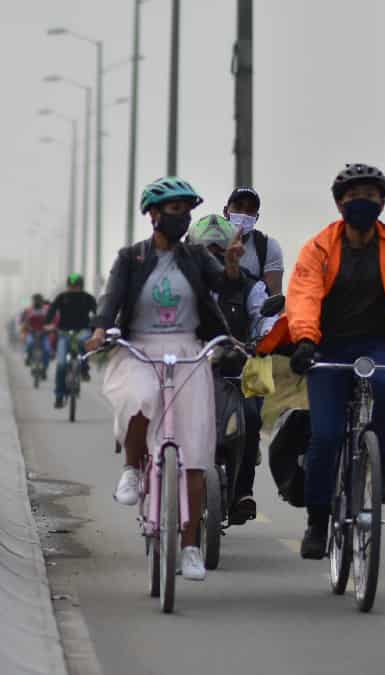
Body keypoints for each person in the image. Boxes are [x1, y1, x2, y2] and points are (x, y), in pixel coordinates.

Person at [86, 177, 245, 581]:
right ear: (153, 215)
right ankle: (132, 469)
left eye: (185, 211)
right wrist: (102, 329)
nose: (182, 217)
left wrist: (229, 266)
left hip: (190, 351)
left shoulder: (195, 257)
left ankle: (190, 546)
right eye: (174, 210)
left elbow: (224, 285)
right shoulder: (132, 259)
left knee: (193, 451)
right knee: (140, 397)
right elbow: (111, 301)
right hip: (140, 348)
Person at [285, 163, 385, 559]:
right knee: (326, 435)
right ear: (339, 205)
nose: (362, 203)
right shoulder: (319, 247)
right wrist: (304, 341)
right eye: (352, 198)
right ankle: (317, 521)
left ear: (382, 202)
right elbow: (304, 294)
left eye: (370, 196)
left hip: (378, 344)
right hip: (328, 348)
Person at [186, 214, 278, 525]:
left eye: (218, 250)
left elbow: (265, 316)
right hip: (187, 371)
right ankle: (157, 479)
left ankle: (242, 492)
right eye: (205, 251)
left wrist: (263, 337)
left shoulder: (249, 285)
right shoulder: (181, 284)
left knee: (250, 418)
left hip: (235, 373)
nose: (211, 257)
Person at [46, 273, 97, 408]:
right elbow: (51, 312)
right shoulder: (61, 297)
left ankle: (84, 368)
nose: (74, 288)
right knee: (61, 364)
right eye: (72, 286)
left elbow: (98, 312)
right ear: (68, 286)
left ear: (81, 286)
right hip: (64, 333)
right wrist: (48, 323)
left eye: (76, 286)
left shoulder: (88, 298)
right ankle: (59, 395)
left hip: (83, 331)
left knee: (83, 342)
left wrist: (98, 326)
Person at [224, 187, 283, 295]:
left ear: (256, 217)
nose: (243, 214)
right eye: (238, 207)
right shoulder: (210, 241)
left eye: (250, 210)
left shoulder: (268, 246)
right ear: (225, 211)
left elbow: (273, 296)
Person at [21, 293, 52, 370]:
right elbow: (23, 320)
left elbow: (52, 320)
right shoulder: (28, 311)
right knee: (29, 344)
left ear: (42, 301)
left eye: (39, 300)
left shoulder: (46, 310)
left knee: (47, 350)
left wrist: (50, 327)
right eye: (36, 300)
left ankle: (45, 367)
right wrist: (25, 327)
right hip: (32, 333)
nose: (37, 302)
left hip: (44, 334)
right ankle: (28, 358)